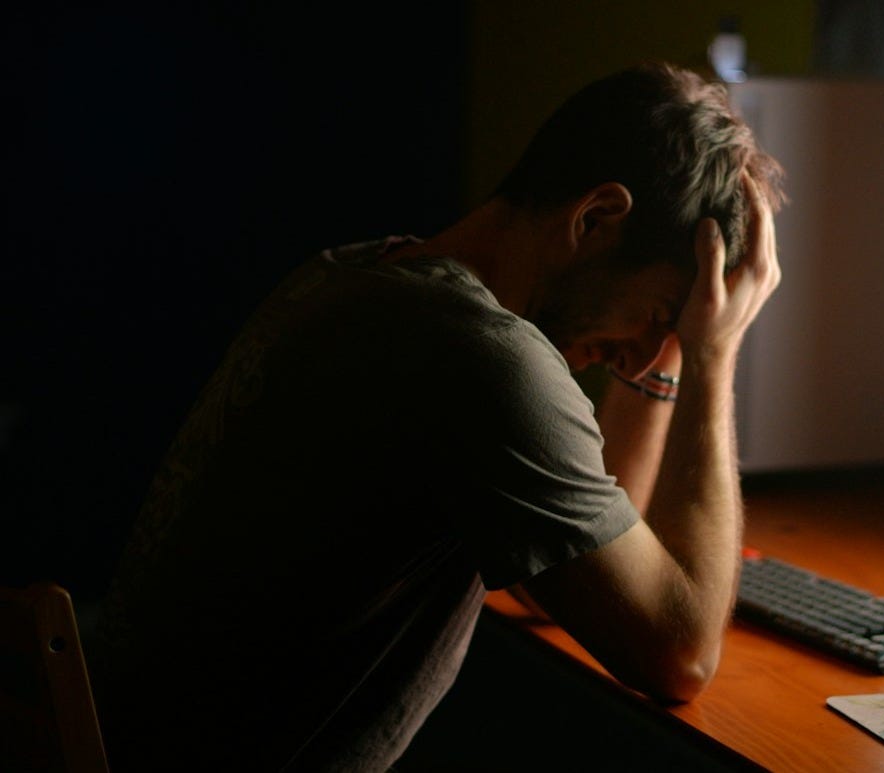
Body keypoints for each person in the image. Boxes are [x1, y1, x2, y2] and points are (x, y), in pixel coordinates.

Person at [86, 60, 784, 772]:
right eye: (659, 318)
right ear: (596, 219)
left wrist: (671, 344)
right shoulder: (484, 360)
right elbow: (683, 653)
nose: (636, 364)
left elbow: (586, 576)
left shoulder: (355, 278)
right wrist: (711, 356)